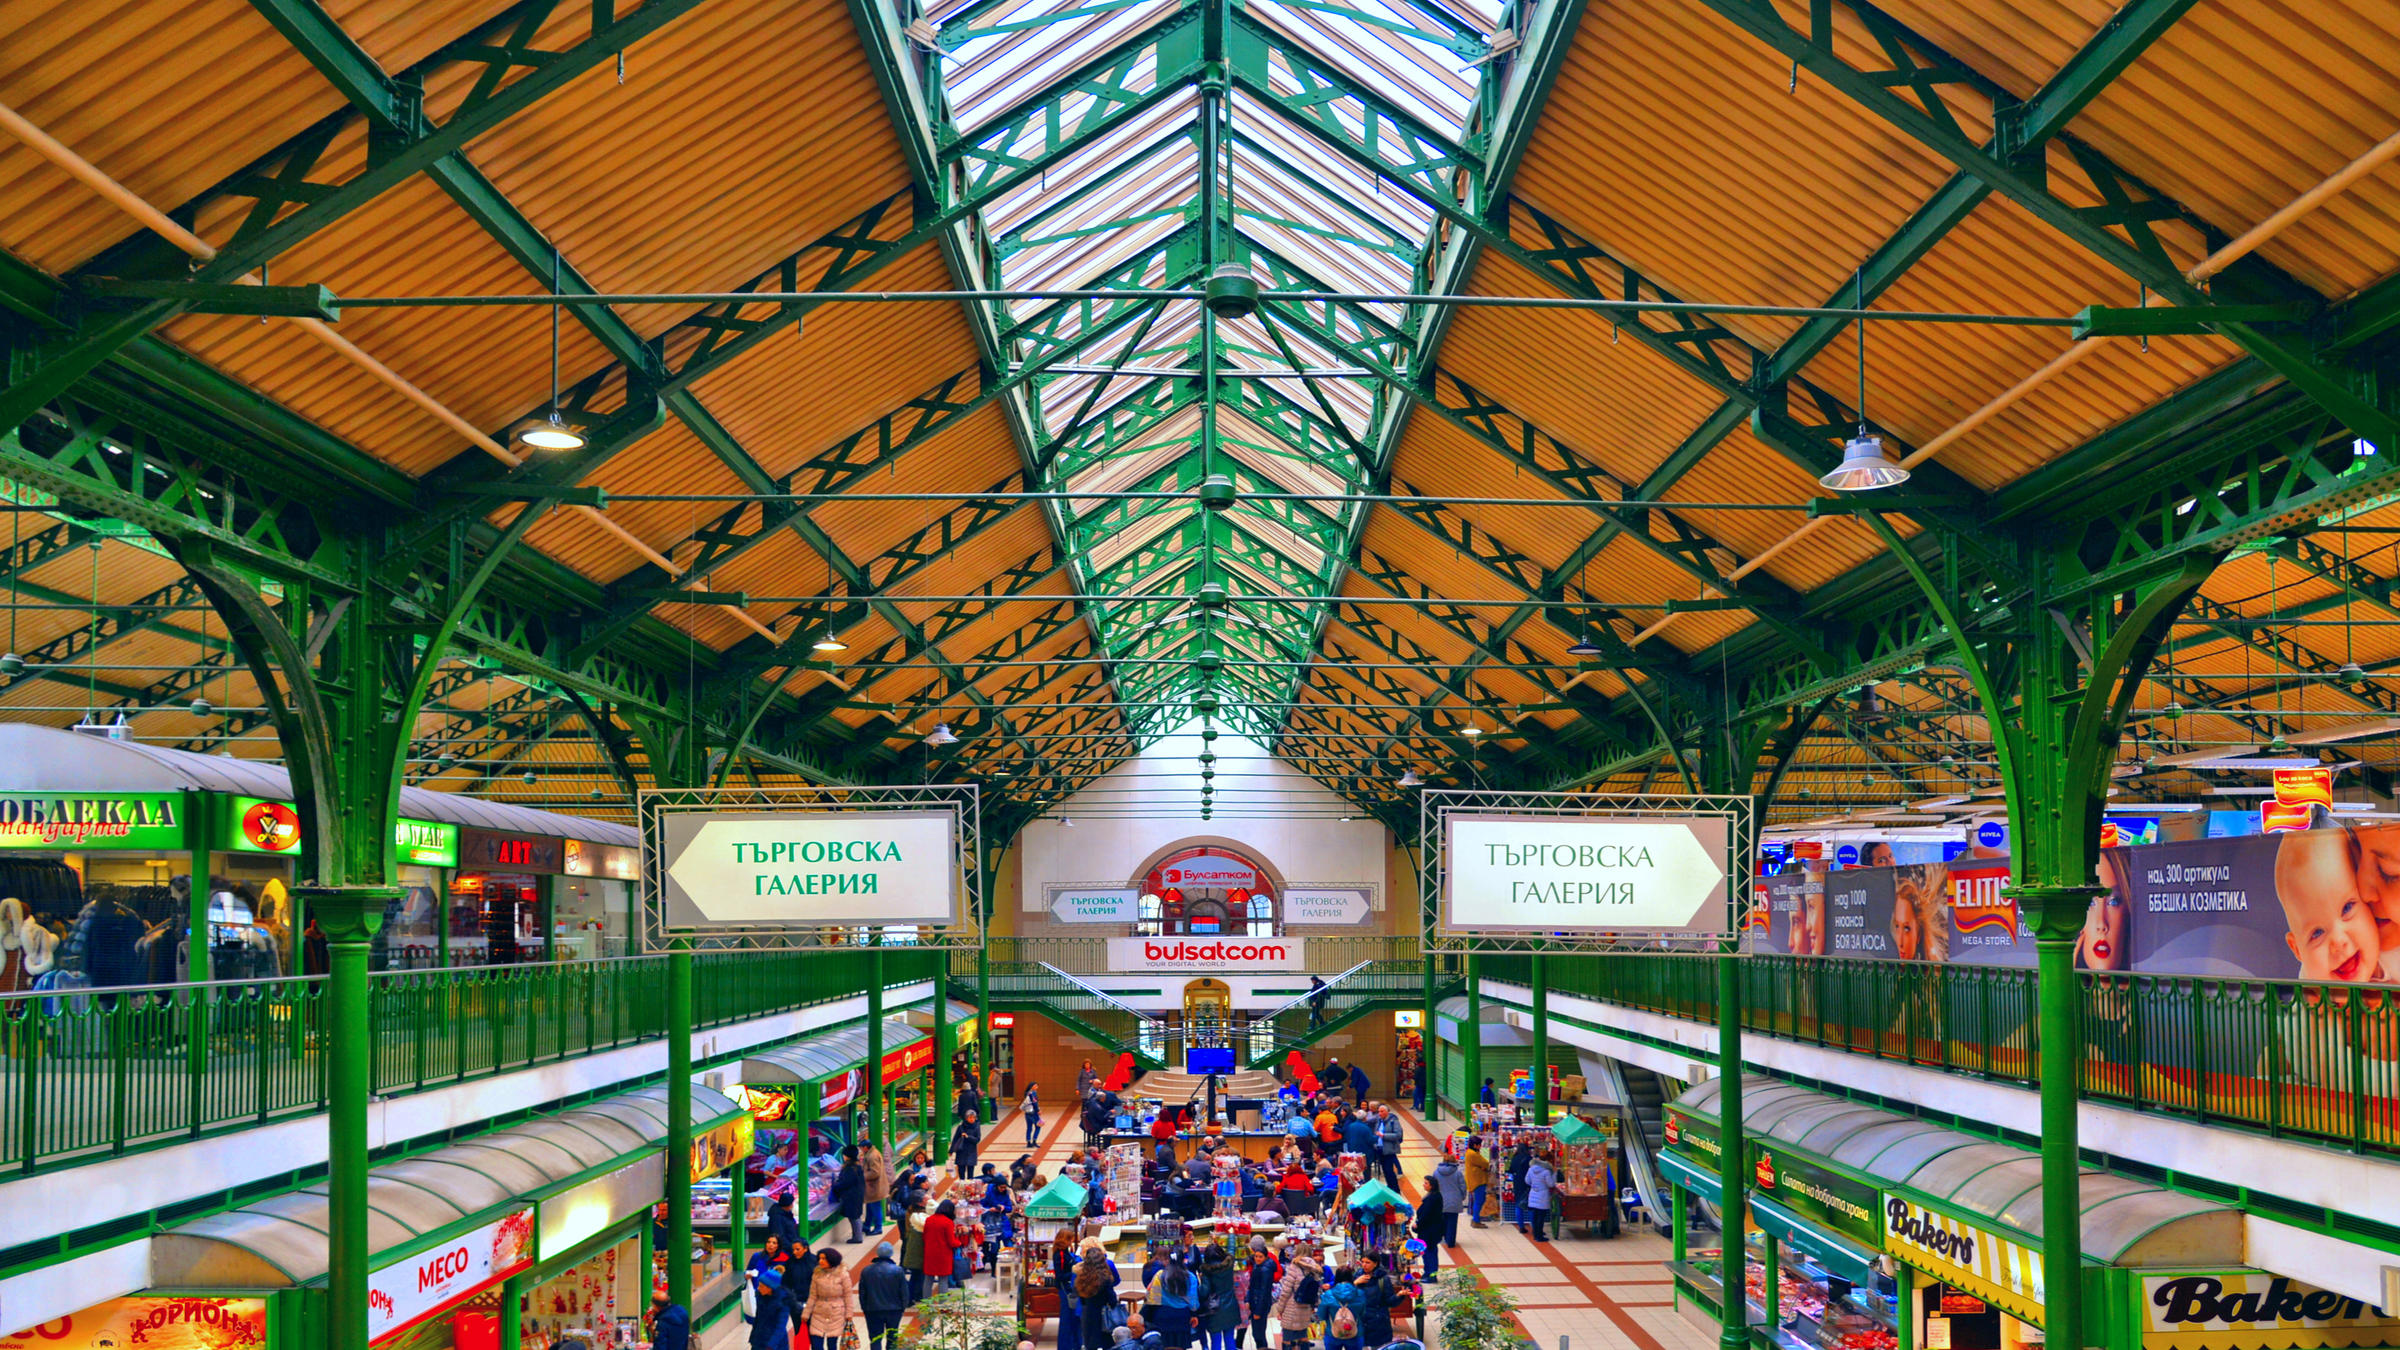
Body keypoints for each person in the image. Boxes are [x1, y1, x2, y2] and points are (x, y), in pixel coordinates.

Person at [803, 1248, 861, 1350]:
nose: (820, 1261)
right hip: (818, 1312)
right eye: (820, 1258)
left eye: (824, 1259)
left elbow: (848, 1295)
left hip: (836, 1313)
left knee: (832, 1344)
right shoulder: (816, 1274)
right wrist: (806, 1313)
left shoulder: (843, 1274)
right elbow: (812, 1295)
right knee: (816, 1344)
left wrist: (849, 1314)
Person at [1147, 1251, 1201, 1350]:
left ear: (1168, 1261)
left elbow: (1153, 1299)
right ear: (1183, 1261)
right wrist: (1194, 1314)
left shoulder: (1159, 1275)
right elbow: (1193, 1301)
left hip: (1162, 1316)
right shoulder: (1191, 1277)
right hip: (1182, 1317)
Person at [1076, 1239, 1123, 1350]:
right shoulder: (1105, 1278)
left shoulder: (1082, 1277)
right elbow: (1112, 1299)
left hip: (1088, 1315)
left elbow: (1081, 1298)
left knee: (1090, 1344)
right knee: (1107, 1344)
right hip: (1104, 1316)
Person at [1272, 1248, 1323, 1350]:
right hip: (1306, 1308)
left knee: (1287, 1339)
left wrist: (1280, 1309)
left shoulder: (1294, 1267)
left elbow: (1286, 1291)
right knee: (1303, 1336)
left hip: (1292, 1308)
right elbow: (1317, 1290)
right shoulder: (1315, 1268)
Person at [860, 1243, 908, 1350]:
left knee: (875, 1338)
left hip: (873, 1309)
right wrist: (902, 1307)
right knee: (892, 1338)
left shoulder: (867, 1271)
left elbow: (862, 1293)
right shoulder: (897, 1271)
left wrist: (865, 1308)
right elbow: (904, 1292)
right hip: (894, 1309)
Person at [1198, 1244, 1240, 1350]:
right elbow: (1231, 1249)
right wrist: (1231, 1233)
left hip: (1214, 1310)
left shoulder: (1207, 1272)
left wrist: (1199, 1282)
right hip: (1231, 1307)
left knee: (1216, 1341)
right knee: (1230, 1339)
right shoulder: (1228, 1266)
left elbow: (1204, 1291)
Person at [1242, 1237, 1280, 1350]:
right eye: (1256, 1256)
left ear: (1265, 1257)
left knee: (1258, 1334)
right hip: (1256, 1302)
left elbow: (1264, 1292)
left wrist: (1258, 1311)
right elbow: (1253, 1286)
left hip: (1260, 1305)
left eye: (1260, 1257)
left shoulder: (1265, 1270)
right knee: (1258, 1333)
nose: (1257, 1259)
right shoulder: (1259, 1266)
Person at [1316, 1265, 1366, 1350]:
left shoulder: (1329, 1295)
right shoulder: (1360, 1294)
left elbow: (1321, 1315)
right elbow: (1363, 1313)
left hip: (1332, 1333)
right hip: (1355, 1333)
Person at [1350, 1256, 1395, 1349]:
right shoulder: (1356, 1276)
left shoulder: (1383, 1279)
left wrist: (1400, 1295)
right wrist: (1355, 1283)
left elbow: (1390, 1301)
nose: (1364, 1265)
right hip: (1359, 1322)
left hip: (1378, 1323)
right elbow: (1345, 1296)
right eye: (1362, 1262)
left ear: (1375, 1264)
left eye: (1367, 1262)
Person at [749, 1266, 794, 1350]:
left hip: (776, 1344)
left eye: (761, 1286)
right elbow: (758, 1319)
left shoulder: (783, 1301)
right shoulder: (761, 1296)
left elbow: (780, 1326)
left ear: (770, 1288)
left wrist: (771, 1346)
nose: (758, 1288)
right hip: (758, 1340)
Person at [924, 1199, 965, 1290]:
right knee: (943, 1280)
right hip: (943, 1254)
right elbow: (952, 1242)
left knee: (928, 1279)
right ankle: (942, 1303)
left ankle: (926, 1302)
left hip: (929, 1253)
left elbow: (925, 1236)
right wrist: (959, 1243)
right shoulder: (948, 1222)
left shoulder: (929, 1220)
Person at [1411, 1175, 1446, 1280]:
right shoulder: (1434, 1196)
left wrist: (1418, 1224)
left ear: (1432, 1185)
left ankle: (1431, 1274)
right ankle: (1429, 1272)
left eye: (1426, 1183)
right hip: (1432, 1230)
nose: (1424, 1184)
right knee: (1429, 1252)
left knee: (1429, 1252)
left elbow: (1427, 1215)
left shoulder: (1432, 1198)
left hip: (1429, 1231)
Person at [833, 1146, 867, 1244]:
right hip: (857, 1195)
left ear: (847, 1156)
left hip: (852, 1196)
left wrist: (835, 1186)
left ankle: (857, 1237)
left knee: (854, 1216)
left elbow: (845, 1183)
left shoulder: (849, 1169)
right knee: (856, 1216)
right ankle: (857, 1235)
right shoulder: (857, 1166)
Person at [900, 1198, 930, 1304]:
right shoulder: (920, 1232)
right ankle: (913, 1297)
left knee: (915, 1277)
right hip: (918, 1259)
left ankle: (913, 1297)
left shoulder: (913, 1229)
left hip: (913, 1259)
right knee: (917, 1277)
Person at [1431, 1155, 1465, 1248]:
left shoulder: (1436, 1172)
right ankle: (1451, 1241)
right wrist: (1461, 1197)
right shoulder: (1458, 1173)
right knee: (1452, 1222)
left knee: (1443, 1221)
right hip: (1454, 1200)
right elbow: (1463, 1187)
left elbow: (1433, 1187)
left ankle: (1444, 1237)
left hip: (1440, 1201)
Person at [1523, 1152, 1556, 1244]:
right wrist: (1554, 1174)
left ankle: (1536, 1234)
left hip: (1533, 1194)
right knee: (1541, 1217)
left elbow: (1527, 1181)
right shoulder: (1546, 1171)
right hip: (1543, 1195)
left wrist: (1534, 1185)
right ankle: (1539, 1236)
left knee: (1535, 1216)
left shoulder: (1531, 1169)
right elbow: (1551, 1184)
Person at [1461, 1137, 1492, 1229]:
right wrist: (1483, 1167)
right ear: (1475, 1145)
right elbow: (1485, 1163)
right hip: (1478, 1181)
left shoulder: (1470, 1152)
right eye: (1479, 1145)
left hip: (1476, 1180)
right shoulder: (1473, 1154)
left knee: (1478, 1201)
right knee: (1479, 1201)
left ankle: (1476, 1218)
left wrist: (1482, 1167)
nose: (1480, 1146)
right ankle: (1476, 1220)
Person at [863, 1138, 891, 1234]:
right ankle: (867, 1225)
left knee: (875, 1207)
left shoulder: (872, 1156)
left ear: (866, 1147)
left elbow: (875, 1172)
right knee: (871, 1207)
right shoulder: (873, 1152)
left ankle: (878, 1228)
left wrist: (862, 1176)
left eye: (862, 1148)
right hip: (875, 1186)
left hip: (874, 1187)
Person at [1506, 1140, 1533, 1229]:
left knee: (1518, 1205)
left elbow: (1511, 1170)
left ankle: (1521, 1226)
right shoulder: (1529, 1158)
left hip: (1517, 1183)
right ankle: (1534, 1227)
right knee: (1530, 1206)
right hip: (1528, 1184)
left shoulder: (1515, 1158)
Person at [1373, 1108, 1402, 1187]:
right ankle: (1389, 1186)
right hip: (1380, 1149)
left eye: (1382, 1111)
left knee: (1389, 1171)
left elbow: (1398, 1135)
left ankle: (1395, 1189)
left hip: (1389, 1150)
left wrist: (1384, 1136)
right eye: (1379, 1111)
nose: (1379, 1113)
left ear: (1387, 1112)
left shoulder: (1393, 1121)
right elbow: (1376, 1132)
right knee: (1385, 1171)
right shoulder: (1379, 1121)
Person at [951, 1109, 983, 1177]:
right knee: (961, 1172)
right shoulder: (961, 1127)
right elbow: (955, 1139)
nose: (972, 1119)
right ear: (966, 1118)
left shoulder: (976, 1127)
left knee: (970, 1173)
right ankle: (962, 1185)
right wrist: (951, 1150)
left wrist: (968, 1137)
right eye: (970, 1117)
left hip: (971, 1152)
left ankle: (969, 1186)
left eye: (973, 1117)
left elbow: (977, 1139)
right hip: (961, 1151)